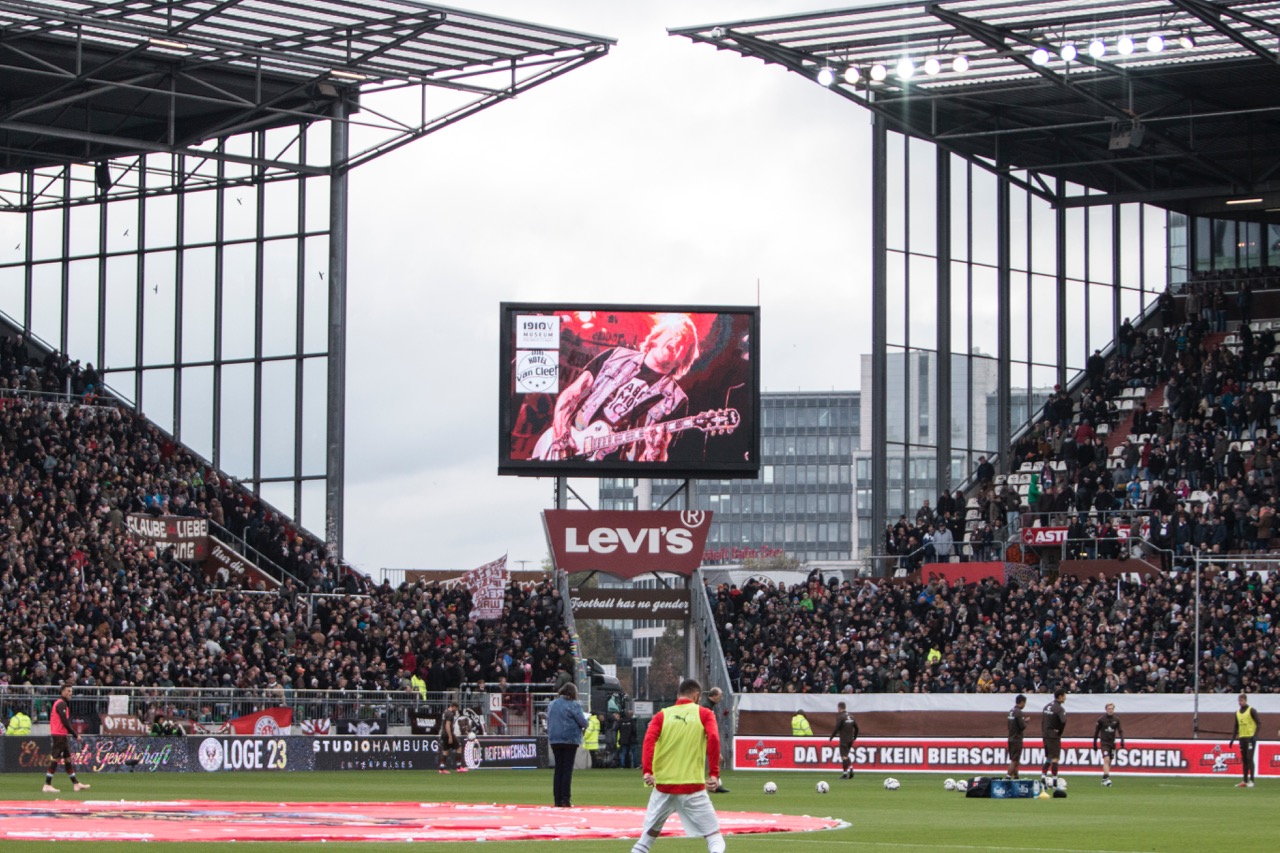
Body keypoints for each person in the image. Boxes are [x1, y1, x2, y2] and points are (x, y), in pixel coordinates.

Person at [536, 313, 700, 462]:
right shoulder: (615, 356)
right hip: (570, 443)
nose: (678, 341)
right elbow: (572, 394)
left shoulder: (677, 400)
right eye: (676, 334)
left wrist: (654, 452)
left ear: (685, 358)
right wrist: (559, 432)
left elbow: (655, 460)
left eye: (685, 343)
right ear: (656, 337)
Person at [630, 678, 725, 853]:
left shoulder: (662, 715)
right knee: (714, 837)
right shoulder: (704, 714)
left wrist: (647, 771)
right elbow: (713, 739)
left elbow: (648, 742)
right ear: (697, 696)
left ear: (678, 695)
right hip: (692, 788)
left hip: (663, 787)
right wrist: (714, 774)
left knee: (646, 840)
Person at [547, 683, 588, 808]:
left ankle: (557, 799)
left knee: (558, 769)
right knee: (567, 770)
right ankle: (565, 798)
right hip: (569, 739)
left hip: (555, 739)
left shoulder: (552, 704)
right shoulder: (574, 705)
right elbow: (583, 722)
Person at [44, 683, 89, 793]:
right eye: (68, 691)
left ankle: (76, 783)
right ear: (62, 692)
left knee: (68, 758)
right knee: (56, 758)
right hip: (59, 734)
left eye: (71, 691)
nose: (70, 693)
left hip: (61, 734)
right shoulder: (61, 704)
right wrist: (75, 734)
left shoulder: (61, 703)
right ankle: (47, 784)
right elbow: (65, 722)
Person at [1228, 692, 1260, 788]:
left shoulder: (1251, 710)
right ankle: (1244, 781)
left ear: (1245, 700)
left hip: (1250, 738)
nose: (1240, 702)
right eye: (1239, 700)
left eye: (1242, 700)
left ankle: (1252, 781)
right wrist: (1233, 739)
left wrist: (1255, 735)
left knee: (1250, 758)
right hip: (1242, 738)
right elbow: (1236, 726)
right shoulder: (1237, 712)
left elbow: (1259, 723)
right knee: (1245, 759)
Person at [1092, 702, 1125, 786]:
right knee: (1106, 759)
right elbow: (1096, 732)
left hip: (1112, 743)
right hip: (1104, 742)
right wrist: (1094, 744)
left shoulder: (1116, 719)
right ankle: (1107, 778)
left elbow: (1120, 731)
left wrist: (1122, 741)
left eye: (1111, 709)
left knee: (1110, 760)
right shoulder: (1101, 720)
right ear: (1106, 709)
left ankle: (1104, 778)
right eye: (1108, 709)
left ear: (1113, 709)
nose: (1110, 710)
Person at [704, 687, 730, 793]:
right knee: (718, 759)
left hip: (705, 738)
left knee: (718, 759)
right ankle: (714, 784)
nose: (721, 697)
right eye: (720, 695)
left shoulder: (710, 706)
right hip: (705, 739)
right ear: (714, 696)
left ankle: (713, 784)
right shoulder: (706, 707)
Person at [1040, 689, 1067, 789]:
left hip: (1045, 735)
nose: (1065, 698)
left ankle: (1043, 777)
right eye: (1064, 696)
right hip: (1053, 736)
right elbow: (1063, 722)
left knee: (1048, 757)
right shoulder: (1059, 709)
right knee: (1055, 758)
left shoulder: (1046, 706)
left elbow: (1043, 721)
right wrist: (1059, 732)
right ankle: (1055, 781)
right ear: (1060, 697)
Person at [827, 700, 860, 779]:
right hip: (850, 739)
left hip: (844, 739)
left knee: (844, 756)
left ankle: (845, 773)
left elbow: (837, 728)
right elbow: (857, 728)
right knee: (846, 755)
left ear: (839, 708)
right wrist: (854, 737)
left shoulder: (840, 716)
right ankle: (850, 769)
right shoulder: (852, 716)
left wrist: (832, 736)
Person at [439, 700, 467, 774]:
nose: (456, 710)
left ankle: (441, 769)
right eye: (456, 709)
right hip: (448, 733)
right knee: (459, 748)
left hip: (443, 733)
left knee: (446, 751)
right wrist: (450, 736)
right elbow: (447, 725)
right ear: (454, 707)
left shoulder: (445, 712)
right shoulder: (450, 714)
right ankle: (459, 767)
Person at [1007, 694, 1028, 779]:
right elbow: (1022, 726)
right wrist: (1025, 722)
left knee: (1015, 760)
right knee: (1015, 760)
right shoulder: (1019, 712)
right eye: (1024, 703)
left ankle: (1016, 777)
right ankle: (1008, 777)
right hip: (1017, 739)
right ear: (1022, 702)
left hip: (1010, 737)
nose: (1024, 705)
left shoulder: (1011, 711)